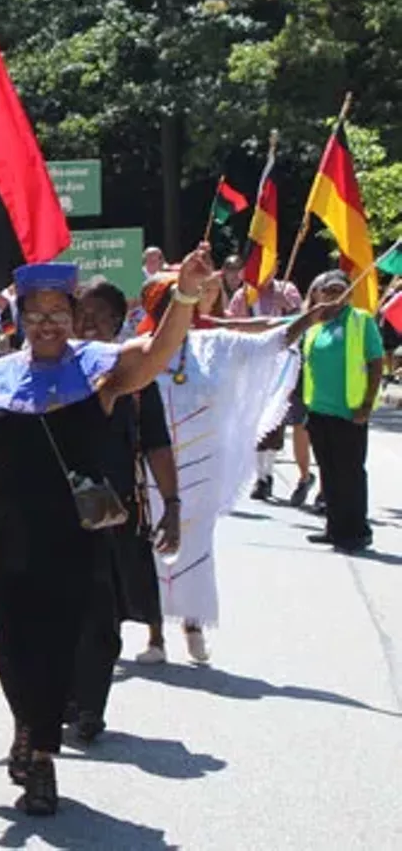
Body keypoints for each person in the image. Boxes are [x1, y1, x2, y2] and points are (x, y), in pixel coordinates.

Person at [0, 246, 215, 815]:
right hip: (11, 534)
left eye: (58, 313)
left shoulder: (100, 368)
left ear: (72, 314)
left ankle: (39, 759)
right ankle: (26, 725)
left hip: (74, 538)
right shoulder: (1, 376)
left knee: (59, 650)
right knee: (12, 650)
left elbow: (159, 353)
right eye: (35, 315)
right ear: (20, 323)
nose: (47, 324)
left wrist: (183, 295)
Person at [137, 269, 338, 663]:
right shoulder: (137, 351)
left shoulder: (216, 344)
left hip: (200, 469)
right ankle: (155, 636)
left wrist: (309, 317)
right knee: (150, 548)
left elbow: (271, 341)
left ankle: (192, 625)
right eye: (164, 306)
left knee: (194, 546)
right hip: (151, 470)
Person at [69, 279, 180, 737]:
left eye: (99, 315)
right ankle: (66, 698)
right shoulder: (55, 369)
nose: (88, 321)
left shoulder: (135, 378)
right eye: (82, 314)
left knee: (103, 614)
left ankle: (90, 705)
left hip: (114, 511)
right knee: (62, 610)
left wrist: (172, 504)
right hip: (58, 510)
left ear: (118, 322)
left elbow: (156, 444)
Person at [300, 270, 383, 553]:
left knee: (350, 472)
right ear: (319, 294)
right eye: (328, 290)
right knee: (328, 471)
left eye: (339, 290)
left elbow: (375, 363)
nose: (333, 295)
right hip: (319, 410)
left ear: (349, 292)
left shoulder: (361, 321)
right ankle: (334, 528)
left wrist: (367, 405)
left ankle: (356, 531)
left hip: (350, 411)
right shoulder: (315, 326)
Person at [227, 275, 309, 503]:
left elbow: (300, 318)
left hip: (280, 363)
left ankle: (266, 475)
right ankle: (259, 473)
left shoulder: (288, 289)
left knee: (275, 420)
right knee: (253, 416)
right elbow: (233, 323)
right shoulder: (243, 295)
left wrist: (289, 306)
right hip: (251, 363)